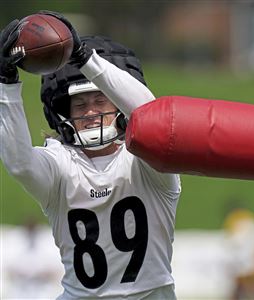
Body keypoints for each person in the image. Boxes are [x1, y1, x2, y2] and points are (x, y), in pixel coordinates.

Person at [0, 11, 181, 300]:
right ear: (63, 112)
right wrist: (6, 84)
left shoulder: (144, 162)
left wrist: (85, 57)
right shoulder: (60, 164)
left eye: (100, 100)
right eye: (80, 104)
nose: (91, 112)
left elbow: (150, 115)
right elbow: (20, 164)